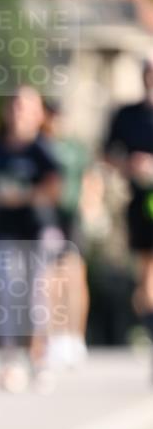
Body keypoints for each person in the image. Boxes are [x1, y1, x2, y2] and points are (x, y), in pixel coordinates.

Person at [0, 86, 62, 392]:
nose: (18, 112)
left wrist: (25, 195)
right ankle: (9, 361)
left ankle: (40, 359)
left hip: (38, 231)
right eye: (14, 105)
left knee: (37, 297)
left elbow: (55, 189)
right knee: (5, 293)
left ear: (38, 113)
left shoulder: (43, 148)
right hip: (3, 230)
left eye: (26, 106)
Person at [102, 53, 153, 360]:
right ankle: (148, 326)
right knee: (145, 273)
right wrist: (130, 166)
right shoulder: (127, 115)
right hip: (141, 202)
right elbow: (107, 154)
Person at [40, 99, 91, 368]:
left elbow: (89, 178)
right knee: (49, 278)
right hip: (47, 216)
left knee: (74, 275)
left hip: (72, 216)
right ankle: (55, 337)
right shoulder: (39, 145)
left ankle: (75, 337)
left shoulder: (74, 147)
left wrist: (91, 206)